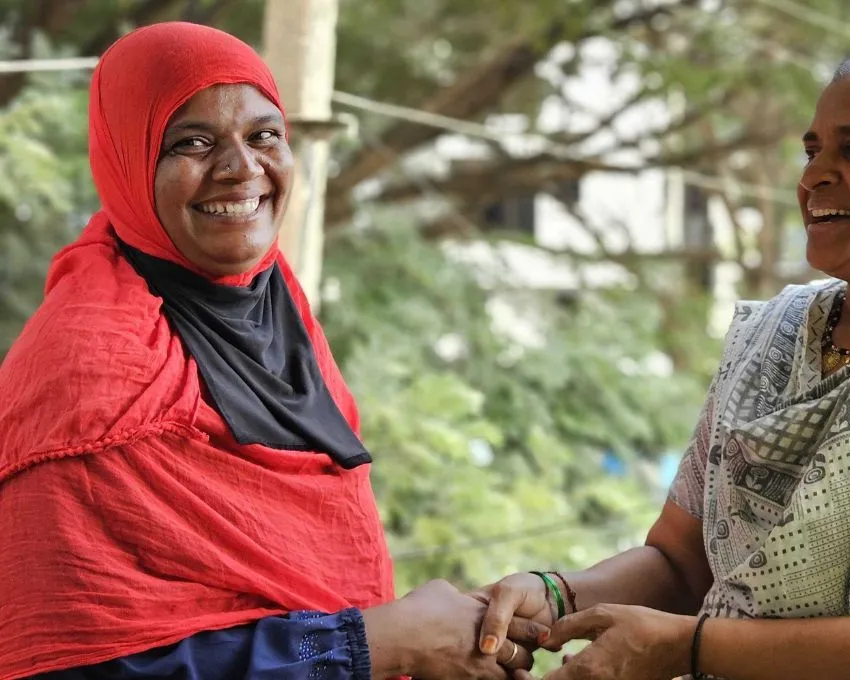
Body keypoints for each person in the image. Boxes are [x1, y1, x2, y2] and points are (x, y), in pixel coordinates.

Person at [0, 22, 540, 680]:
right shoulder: (87, 367)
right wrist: (372, 644)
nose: (241, 168)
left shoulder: (278, 310)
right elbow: (62, 663)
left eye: (264, 136)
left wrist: (453, 634)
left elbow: (316, 587)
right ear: (128, 158)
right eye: (192, 142)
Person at [477, 47, 850, 680]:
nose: (814, 174)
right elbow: (682, 565)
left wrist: (691, 647)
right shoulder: (768, 338)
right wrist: (557, 596)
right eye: (811, 150)